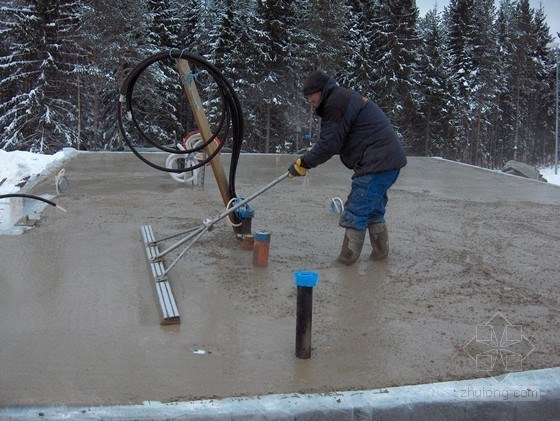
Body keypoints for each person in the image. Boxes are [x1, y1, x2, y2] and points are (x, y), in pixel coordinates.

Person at [288, 70, 407, 265]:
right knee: (374, 210)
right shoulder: (341, 97)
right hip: (389, 162)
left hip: (376, 163)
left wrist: (304, 163)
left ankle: (346, 262)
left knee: (356, 210)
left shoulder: (336, 103)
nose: (310, 100)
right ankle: (380, 257)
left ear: (321, 90)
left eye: (311, 95)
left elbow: (329, 144)